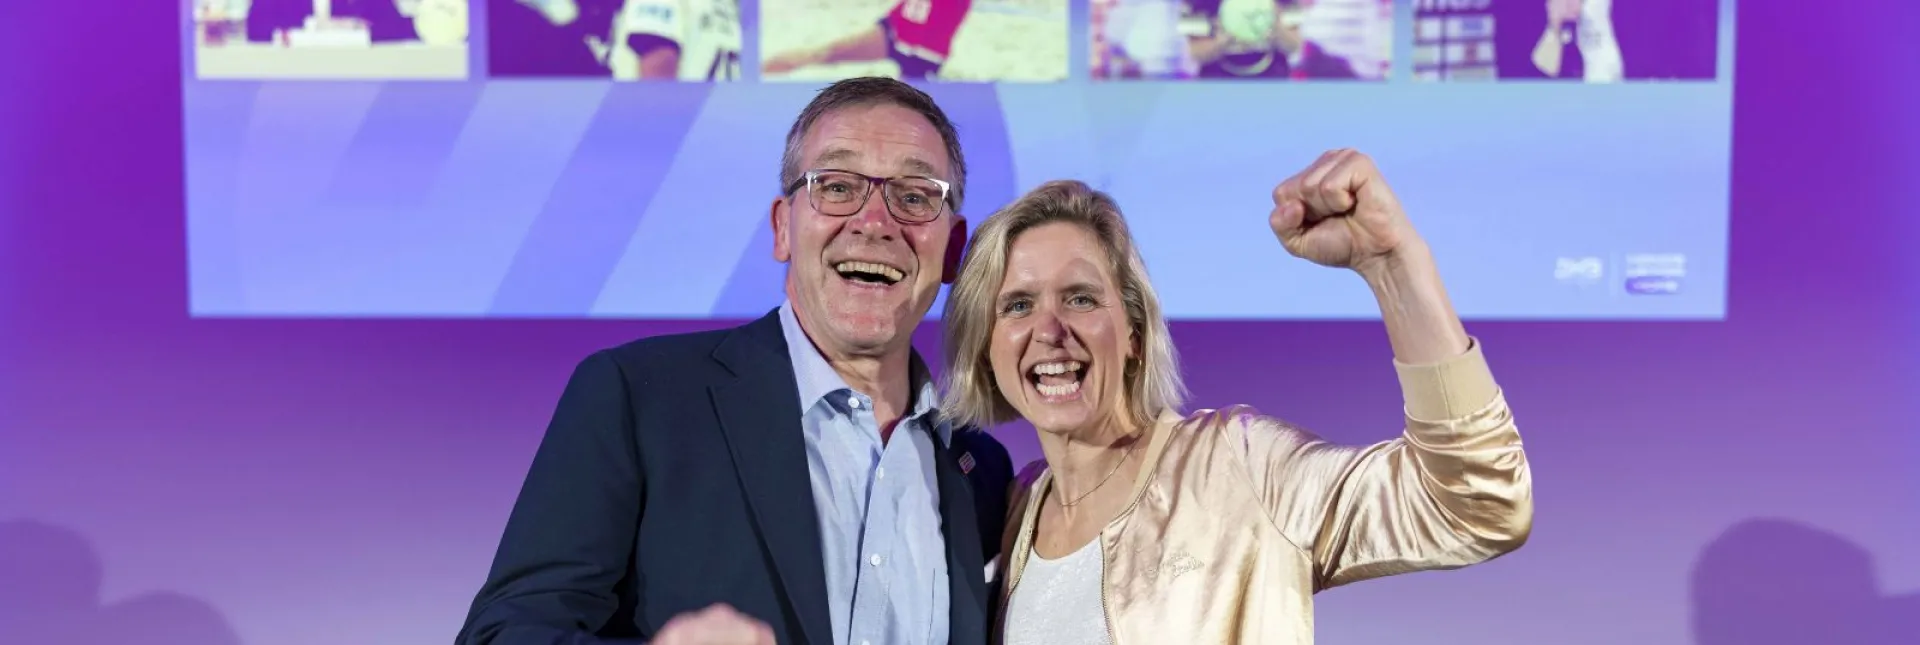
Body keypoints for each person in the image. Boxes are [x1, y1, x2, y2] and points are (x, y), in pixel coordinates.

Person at [456, 77, 1015, 645]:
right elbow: (502, 633)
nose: (874, 222)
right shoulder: (639, 400)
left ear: (952, 250)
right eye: (838, 187)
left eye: (915, 196)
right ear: (782, 227)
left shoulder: (982, 471)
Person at [938, 152, 1535, 643]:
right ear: (985, 346)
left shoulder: (1237, 465)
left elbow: (1474, 503)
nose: (1049, 329)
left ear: (1135, 336)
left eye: (1081, 298)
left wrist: (1394, 266)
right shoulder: (1017, 510)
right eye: (1017, 305)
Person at [761, 0, 973, 79]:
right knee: (822, 54)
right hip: (898, 29)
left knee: (905, 112)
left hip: (927, 51)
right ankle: (754, 73)